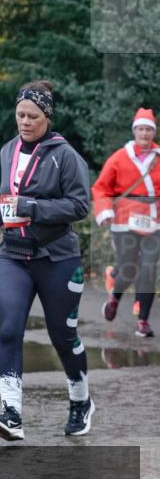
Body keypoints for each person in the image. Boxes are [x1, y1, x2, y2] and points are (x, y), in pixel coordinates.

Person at [0, 80, 92, 441]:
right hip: (14, 255)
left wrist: (33, 207)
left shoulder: (65, 155)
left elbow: (80, 206)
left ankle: (81, 400)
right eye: (20, 115)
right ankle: (11, 414)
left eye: (33, 116)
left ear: (47, 117)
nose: (25, 122)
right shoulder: (8, 150)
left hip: (57, 256)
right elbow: (8, 198)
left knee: (63, 335)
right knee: (9, 328)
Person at [92, 108, 160, 338]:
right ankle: (115, 296)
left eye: (148, 129)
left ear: (154, 132)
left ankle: (143, 321)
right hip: (124, 220)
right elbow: (101, 188)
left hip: (154, 220)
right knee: (129, 268)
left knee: (149, 268)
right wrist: (104, 212)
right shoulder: (120, 157)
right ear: (134, 131)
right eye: (141, 129)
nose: (144, 133)